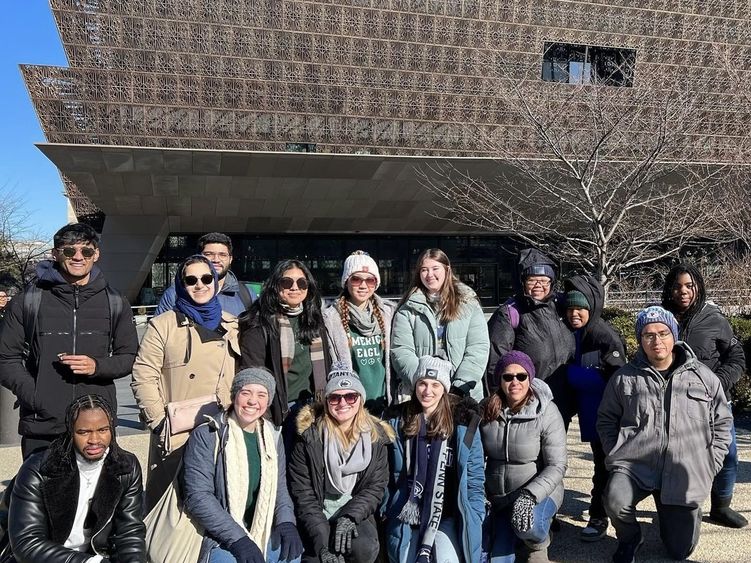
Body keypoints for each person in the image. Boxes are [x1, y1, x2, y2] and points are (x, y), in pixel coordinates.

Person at [597, 306, 732, 562]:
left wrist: (710, 463)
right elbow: (606, 419)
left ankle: (672, 512)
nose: (656, 341)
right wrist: (616, 452)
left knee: (680, 551)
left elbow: (723, 422)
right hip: (636, 466)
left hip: (683, 469)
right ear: (640, 340)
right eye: (648, 335)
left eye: (663, 333)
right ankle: (630, 537)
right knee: (614, 499)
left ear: (674, 335)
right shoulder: (624, 378)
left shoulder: (704, 377)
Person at [0, 223, 138, 459]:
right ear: (55, 254)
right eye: (68, 251)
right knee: (42, 494)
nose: (77, 257)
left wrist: (98, 366)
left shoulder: (115, 302)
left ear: (96, 255)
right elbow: (5, 358)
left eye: (86, 251)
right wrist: (35, 395)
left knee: (96, 495)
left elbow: (129, 356)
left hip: (95, 423)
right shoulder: (28, 300)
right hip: (42, 425)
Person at [131, 254, 241, 510]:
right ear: (181, 285)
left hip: (222, 429)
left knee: (220, 503)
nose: (200, 285)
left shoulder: (232, 324)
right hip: (178, 432)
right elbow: (143, 375)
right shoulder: (163, 325)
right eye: (191, 280)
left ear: (215, 282)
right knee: (168, 510)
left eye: (206, 278)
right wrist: (159, 422)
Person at [180, 367, 304, 563]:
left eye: (261, 395)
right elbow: (198, 496)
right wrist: (239, 540)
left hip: (262, 527)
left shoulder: (272, 435)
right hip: (219, 533)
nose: (253, 401)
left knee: (291, 557)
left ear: (268, 401)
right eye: (245, 392)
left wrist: (287, 522)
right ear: (234, 395)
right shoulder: (209, 434)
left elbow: (280, 488)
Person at [7, 394, 145, 562]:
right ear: (71, 433)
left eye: (103, 430)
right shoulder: (39, 470)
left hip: (98, 556)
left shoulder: (125, 467)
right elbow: (27, 543)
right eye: (84, 432)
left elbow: (129, 533)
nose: (94, 440)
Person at [662, 263, 747, 528]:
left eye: (689, 285)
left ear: (698, 286)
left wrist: (717, 383)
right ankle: (686, 506)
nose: (683, 291)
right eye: (677, 286)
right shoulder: (661, 317)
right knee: (680, 456)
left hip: (716, 403)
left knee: (728, 454)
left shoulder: (715, 318)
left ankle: (721, 506)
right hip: (677, 403)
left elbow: (736, 357)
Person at [383, 355, 485, 563]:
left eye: (435, 385)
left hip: (447, 514)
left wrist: (474, 515)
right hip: (406, 512)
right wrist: (388, 508)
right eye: (422, 383)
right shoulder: (398, 422)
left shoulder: (463, 426)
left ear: (444, 389)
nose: (427, 391)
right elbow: (387, 476)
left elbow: (475, 479)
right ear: (415, 386)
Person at [288, 363, 392, 563]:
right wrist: (322, 544)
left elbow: (375, 487)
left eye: (350, 396)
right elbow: (304, 494)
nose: (342, 403)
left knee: (364, 547)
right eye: (335, 397)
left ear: (360, 399)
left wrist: (349, 517)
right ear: (326, 401)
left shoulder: (376, 437)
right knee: (320, 558)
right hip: (317, 514)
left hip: (353, 509)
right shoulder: (308, 437)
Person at [481, 351, 567, 562]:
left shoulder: (547, 411)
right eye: (508, 377)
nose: (515, 382)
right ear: (499, 379)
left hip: (538, 492)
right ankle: (515, 536)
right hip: (498, 496)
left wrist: (530, 495)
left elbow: (557, 465)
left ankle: (538, 542)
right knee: (497, 559)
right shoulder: (486, 409)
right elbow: (474, 457)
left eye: (521, 376)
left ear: (530, 378)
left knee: (528, 526)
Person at [563, 275, 626, 541]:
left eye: (580, 308)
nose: (574, 313)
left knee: (604, 466)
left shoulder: (604, 335)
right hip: (590, 413)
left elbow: (618, 378)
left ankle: (599, 516)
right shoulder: (575, 332)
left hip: (607, 417)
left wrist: (573, 375)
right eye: (570, 308)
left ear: (592, 308)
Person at [239, 259, 331, 435]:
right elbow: (253, 375)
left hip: (314, 408)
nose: (295, 288)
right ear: (275, 286)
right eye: (287, 282)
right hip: (279, 412)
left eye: (301, 283)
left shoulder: (315, 319)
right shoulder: (259, 322)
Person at [391, 248, 489, 402]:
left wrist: (459, 387)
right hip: (423, 395)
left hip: (462, 394)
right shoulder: (407, 308)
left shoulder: (468, 303)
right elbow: (401, 351)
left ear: (447, 270)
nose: (429, 275)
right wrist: (423, 384)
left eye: (435, 268)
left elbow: (478, 348)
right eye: (424, 270)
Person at [485, 248, 574, 413]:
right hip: (527, 398)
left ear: (552, 283)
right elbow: (495, 360)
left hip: (562, 395)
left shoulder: (561, 307)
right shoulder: (510, 313)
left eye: (544, 280)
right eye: (532, 280)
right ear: (522, 282)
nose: (539, 285)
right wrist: (499, 397)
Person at [322, 251, 396, 416]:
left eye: (369, 280)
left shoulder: (389, 314)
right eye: (356, 279)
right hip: (350, 406)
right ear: (346, 282)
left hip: (384, 404)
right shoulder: (331, 318)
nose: (363, 285)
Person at [155, 232, 256, 317]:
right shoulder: (175, 294)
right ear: (198, 257)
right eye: (209, 254)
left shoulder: (246, 295)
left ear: (230, 259)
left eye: (222, 255)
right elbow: (159, 333)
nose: (216, 260)